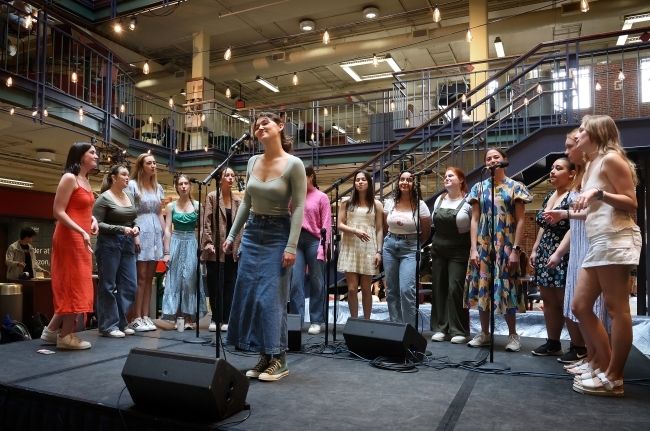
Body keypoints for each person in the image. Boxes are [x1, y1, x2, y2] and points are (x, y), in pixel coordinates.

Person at [222, 111, 306, 382]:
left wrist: (291, 246)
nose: (260, 127)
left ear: (281, 126)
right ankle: (264, 355)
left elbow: (299, 208)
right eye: (256, 125)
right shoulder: (252, 161)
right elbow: (246, 203)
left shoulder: (294, 164)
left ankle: (279, 358)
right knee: (251, 295)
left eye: (265, 123)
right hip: (253, 233)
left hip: (278, 232)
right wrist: (232, 236)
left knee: (272, 298)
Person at [569, 115, 641, 397]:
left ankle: (615, 376)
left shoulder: (611, 159)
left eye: (583, 131)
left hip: (616, 237)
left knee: (616, 309)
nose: (578, 136)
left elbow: (631, 202)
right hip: (598, 240)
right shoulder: (589, 166)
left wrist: (598, 192)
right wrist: (566, 213)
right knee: (580, 305)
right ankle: (602, 363)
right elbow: (596, 209)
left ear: (597, 134)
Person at [543, 129, 603, 367]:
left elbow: (619, 205)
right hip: (577, 244)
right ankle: (591, 357)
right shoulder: (584, 174)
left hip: (592, 242)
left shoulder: (602, 166)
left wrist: (565, 214)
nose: (567, 151)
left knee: (594, 306)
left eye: (571, 146)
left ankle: (600, 361)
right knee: (577, 305)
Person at [465, 148, 532, 352]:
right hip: (483, 246)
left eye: (496, 157)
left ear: (504, 160)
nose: (492, 160)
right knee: (483, 285)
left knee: (507, 286)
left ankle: (513, 335)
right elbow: (474, 219)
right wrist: (473, 249)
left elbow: (520, 220)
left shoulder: (515, 187)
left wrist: (515, 250)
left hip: (506, 245)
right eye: (488, 158)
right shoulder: (479, 188)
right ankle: (485, 333)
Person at [40, 142, 99, 349]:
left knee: (77, 282)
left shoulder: (85, 179)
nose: (96, 155)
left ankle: (51, 331)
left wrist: (92, 221)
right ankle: (65, 336)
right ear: (80, 156)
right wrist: (81, 230)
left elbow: (82, 209)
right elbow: (58, 211)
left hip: (81, 237)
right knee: (73, 284)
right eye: (92, 152)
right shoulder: (69, 178)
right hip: (69, 237)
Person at [529, 157, 576, 356]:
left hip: (564, 251)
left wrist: (558, 252)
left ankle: (578, 346)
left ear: (572, 173)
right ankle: (553, 342)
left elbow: (574, 228)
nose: (553, 172)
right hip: (545, 250)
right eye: (552, 168)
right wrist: (535, 248)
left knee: (566, 301)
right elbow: (544, 226)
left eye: (559, 168)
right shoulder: (550, 195)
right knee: (548, 301)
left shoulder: (574, 195)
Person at [93, 165, 139, 338]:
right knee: (108, 285)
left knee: (129, 285)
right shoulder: (103, 198)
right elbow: (97, 224)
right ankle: (108, 325)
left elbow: (134, 218)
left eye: (128, 175)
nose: (127, 178)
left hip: (127, 243)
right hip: (109, 243)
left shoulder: (129, 196)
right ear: (114, 177)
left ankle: (120, 321)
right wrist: (120, 229)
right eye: (124, 175)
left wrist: (137, 228)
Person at [382, 170, 430, 328]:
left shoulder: (420, 205)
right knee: (391, 289)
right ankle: (395, 326)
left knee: (406, 290)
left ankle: (409, 330)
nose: (404, 182)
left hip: (411, 247)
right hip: (390, 244)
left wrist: (414, 244)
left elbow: (426, 232)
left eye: (408, 180)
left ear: (414, 184)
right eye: (402, 179)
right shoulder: (390, 202)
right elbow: (384, 226)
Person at [430, 167, 472, 344]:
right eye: (445, 176)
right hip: (439, 249)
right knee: (439, 287)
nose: (446, 178)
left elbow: (474, 227)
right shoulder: (439, 200)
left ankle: (459, 330)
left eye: (450, 176)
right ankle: (441, 328)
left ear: (461, 180)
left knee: (456, 288)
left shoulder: (469, 202)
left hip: (459, 249)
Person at [289, 166, 331, 335]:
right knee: (295, 281)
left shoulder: (322, 197)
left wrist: (324, 247)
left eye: (302, 176)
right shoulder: (294, 197)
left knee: (317, 281)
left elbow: (326, 224)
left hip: (315, 240)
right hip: (297, 240)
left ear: (311, 177)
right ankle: (296, 320)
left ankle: (316, 320)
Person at [127, 153, 167, 332]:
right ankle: (135, 317)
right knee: (141, 277)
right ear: (141, 166)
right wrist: (135, 236)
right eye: (149, 163)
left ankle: (145, 316)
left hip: (155, 233)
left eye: (154, 162)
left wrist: (165, 234)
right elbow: (130, 213)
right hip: (140, 231)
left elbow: (160, 213)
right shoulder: (133, 185)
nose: (153, 165)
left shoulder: (158, 188)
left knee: (150, 277)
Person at [161, 174, 206, 329]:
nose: (184, 186)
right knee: (175, 279)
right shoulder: (171, 206)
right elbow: (167, 229)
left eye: (186, 183)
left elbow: (201, 230)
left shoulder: (198, 205)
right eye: (180, 184)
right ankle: (177, 316)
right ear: (176, 187)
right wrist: (166, 252)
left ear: (190, 186)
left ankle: (188, 318)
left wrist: (201, 249)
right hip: (175, 241)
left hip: (191, 242)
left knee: (189, 280)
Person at [337, 171, 383, 320]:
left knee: (365, 289)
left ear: (368, 182)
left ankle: (367, 321)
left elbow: (380, 229)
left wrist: (379, 251)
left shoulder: (376, 204)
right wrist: (355, 230)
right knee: (351, 289)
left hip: (368, 248)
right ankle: (355, 321)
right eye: (357, 180)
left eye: (363, 179)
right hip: (350, 246)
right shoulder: (346, 202)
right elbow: (339, 224)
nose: (360, 182)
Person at [202, 167, 243, 332]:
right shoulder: (212, 197)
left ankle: (226, 318)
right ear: (220, 179)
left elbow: (240, 227)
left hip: (232, 249)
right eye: (227, 175)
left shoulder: (238, 201)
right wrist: (208, 243)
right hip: (215, 248)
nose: (231, 178)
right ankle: (215, 318)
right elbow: (206, 222)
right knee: (215, 284)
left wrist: (239, 247)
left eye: (233, 175)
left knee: (230, 283)